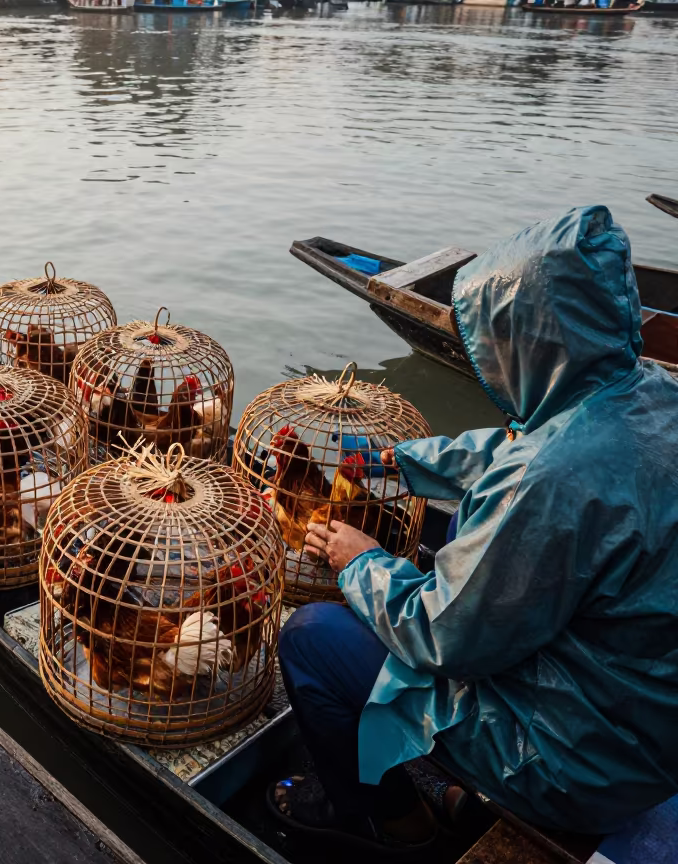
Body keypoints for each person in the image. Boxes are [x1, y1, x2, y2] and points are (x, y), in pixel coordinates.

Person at [269, 206, 678, 853]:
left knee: (312, 638)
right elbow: (518, 451)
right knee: (463, 520)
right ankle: (457, 793)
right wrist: (398, 460)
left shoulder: (550, 478)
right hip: (651, 730)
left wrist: (361, 560)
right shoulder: (648, 392)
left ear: (532, 339)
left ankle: (382, 818)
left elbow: (441, 639)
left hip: (576, 763)